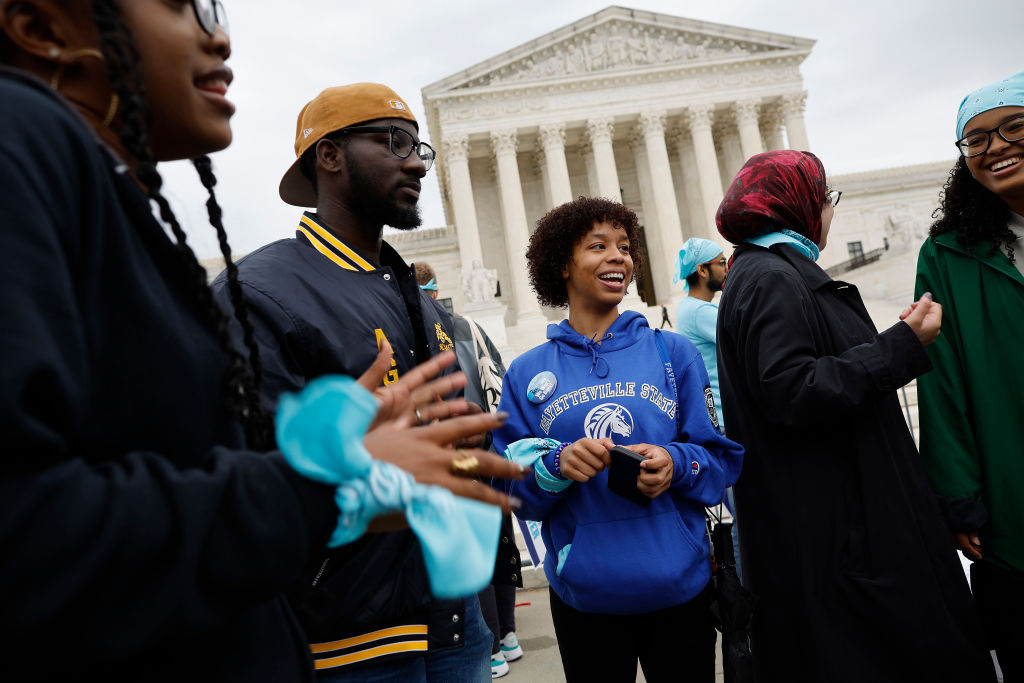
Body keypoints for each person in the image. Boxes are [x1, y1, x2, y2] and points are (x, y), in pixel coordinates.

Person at [0, 2, 524, 680]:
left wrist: (371, 467)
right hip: (354, 637)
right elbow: (32, 531)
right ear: (40, 28)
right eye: (177, 4)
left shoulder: (111, 199)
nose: (216, 33)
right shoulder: (23, 138)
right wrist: (333, 484)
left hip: (440, 620)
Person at [210, 84, 493, 682]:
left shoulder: (421, 300)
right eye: (393, 141)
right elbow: (240, 477)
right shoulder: (259, 294)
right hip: (347, 639)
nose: (415, 160)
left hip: (455, 625)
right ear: (330, 156)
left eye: (418, 145)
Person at [715, 150, 995, 683]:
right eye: (826, 200)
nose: (830, 213)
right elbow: (792, 391)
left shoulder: (769, 272)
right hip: (843, 539)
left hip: (842, 526)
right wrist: (902, 345)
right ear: (794, 204)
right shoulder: (772, 276)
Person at [493, 197, 744, 683]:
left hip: (680, 590)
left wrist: (674, 463)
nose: (620, 257)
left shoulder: (673, 353)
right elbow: (509, 488)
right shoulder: (528, 373)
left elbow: (717, 462)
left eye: (626, 247)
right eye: (599, 246)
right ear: (563, 265)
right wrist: (554, 468)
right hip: (586, 599)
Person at [915, 70, 1024, 680]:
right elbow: (942, 383)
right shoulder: (948, 256)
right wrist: (957, 501)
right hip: (1013, 507)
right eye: (976, 139)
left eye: (1014, 126)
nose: (996, 147)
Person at [415, 262, 524, 678]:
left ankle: (494, 645)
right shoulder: (468, 327)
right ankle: (508, 635)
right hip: (487, 445)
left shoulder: (421, 329)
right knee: (498, 543)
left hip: (453, 451)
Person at [674, 237, 727, 430]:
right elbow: (747, 340)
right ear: (702, 270)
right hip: (722, 417)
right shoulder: (700, 312)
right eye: (722, 262)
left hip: (713, 415)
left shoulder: (689, 307)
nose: (727, 268)